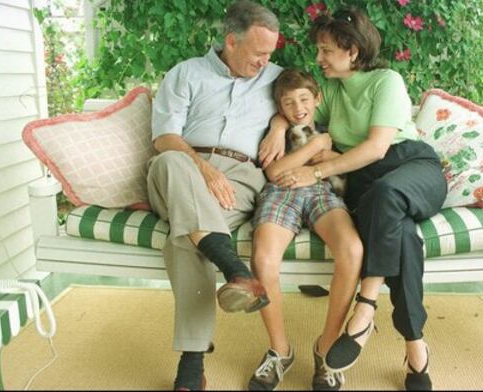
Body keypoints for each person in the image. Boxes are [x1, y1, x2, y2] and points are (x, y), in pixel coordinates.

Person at [269, 7, 447, 391]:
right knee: (401, 236)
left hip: (412, 166)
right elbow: (300, 111)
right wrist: (277, 124)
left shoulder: (387, 81)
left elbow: (378, 148)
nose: (318, 59)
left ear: (352, 51)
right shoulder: (330, 90)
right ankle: (416, 347)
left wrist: (319, 169)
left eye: (326, 50)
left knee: (386, 194)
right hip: (369, 184)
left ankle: (365, 307)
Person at [146, 1, 286, 390]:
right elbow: (165, 137)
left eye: (269, 54)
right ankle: (235, 270)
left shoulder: (276, 78)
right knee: (172, 162)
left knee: (187, 239)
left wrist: (278, 123)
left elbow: (307, 105)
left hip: (239, 179)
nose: (264, 62)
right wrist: (201, 168)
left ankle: (191, 365)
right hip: (180, 171)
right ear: (231, 41)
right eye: (258, 53)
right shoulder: (186, 74)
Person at [248, 69, 363, 391]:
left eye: (303, 99)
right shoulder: (277, 134)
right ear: (279, 108)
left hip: (323, 195)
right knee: (264, 259)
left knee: (352, 249)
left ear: (317, 99)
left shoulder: (335, 128)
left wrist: (325, 151)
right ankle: (280, 351)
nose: (298, 108)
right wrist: (315, 147)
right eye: (288, 103)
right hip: (281, 193)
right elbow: (275, 172)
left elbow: (348, 163)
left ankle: (326, 350)